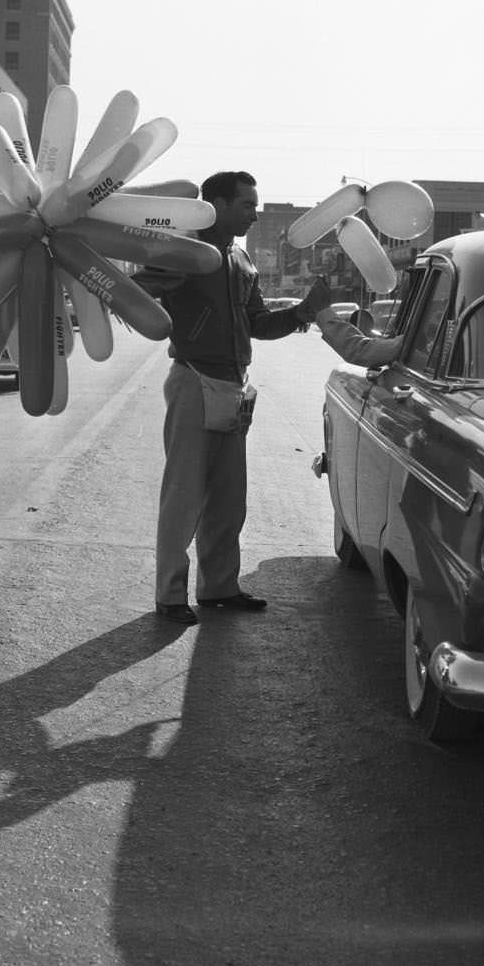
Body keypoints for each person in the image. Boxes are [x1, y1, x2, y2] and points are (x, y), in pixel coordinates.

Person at [136, 171, 333, 626]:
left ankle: (219, 587)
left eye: (255, 204)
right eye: (246, 205)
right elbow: (141, 286)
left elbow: (258, 324)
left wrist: (304, 311)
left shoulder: (242, 261)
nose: (254, 213)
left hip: (233, 387)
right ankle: (170, 596)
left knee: (228, 497)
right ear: (217, 205)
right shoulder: (185, 251)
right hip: (193, 381)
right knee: (184, 495)